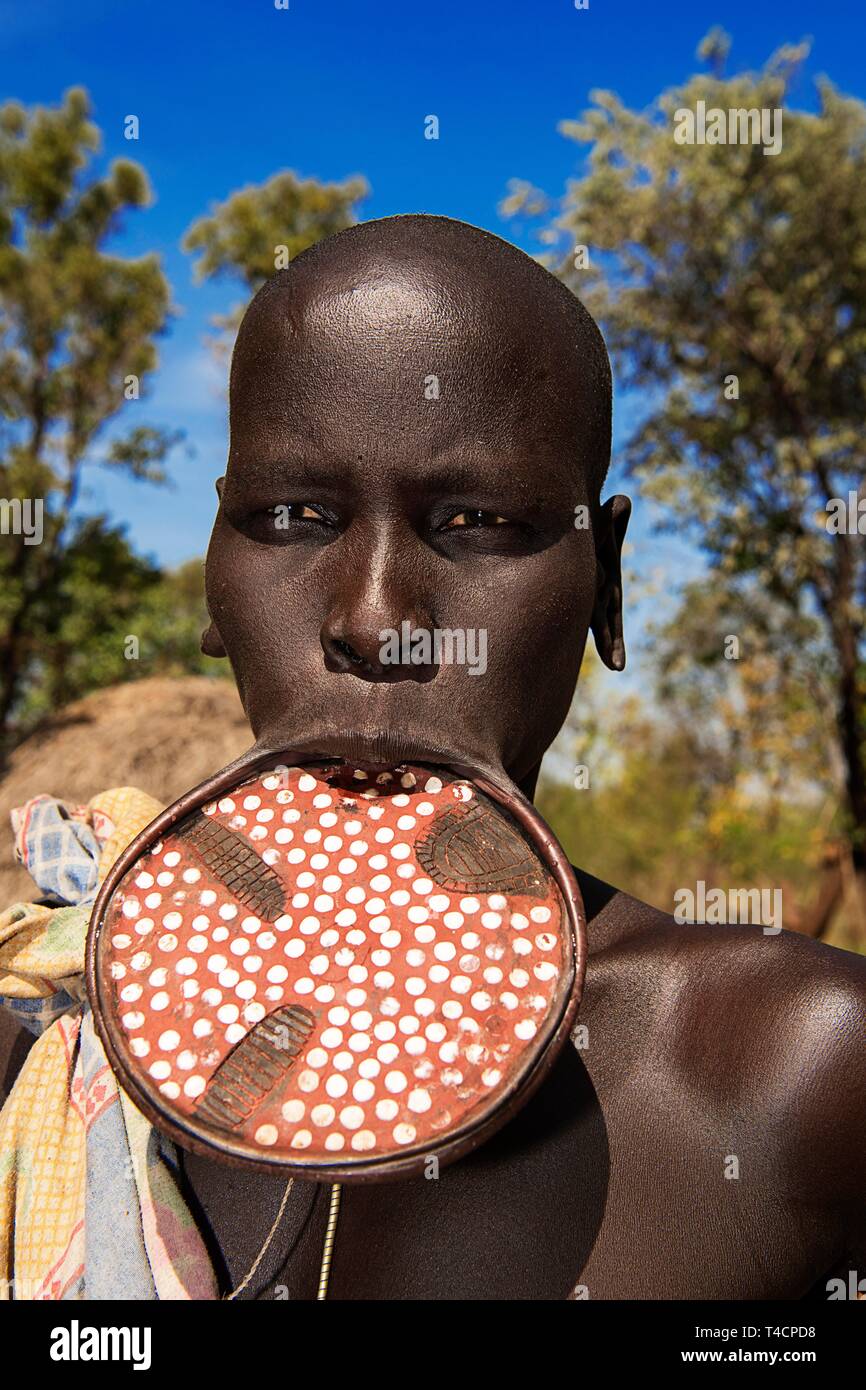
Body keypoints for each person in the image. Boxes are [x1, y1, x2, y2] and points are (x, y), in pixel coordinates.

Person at [1, 214, 864, 1299]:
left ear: (604, 582)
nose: (374, 622)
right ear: (214, 575)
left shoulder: (797, 1072)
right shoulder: (37, 1043)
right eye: (294, 515)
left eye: (474, 521)